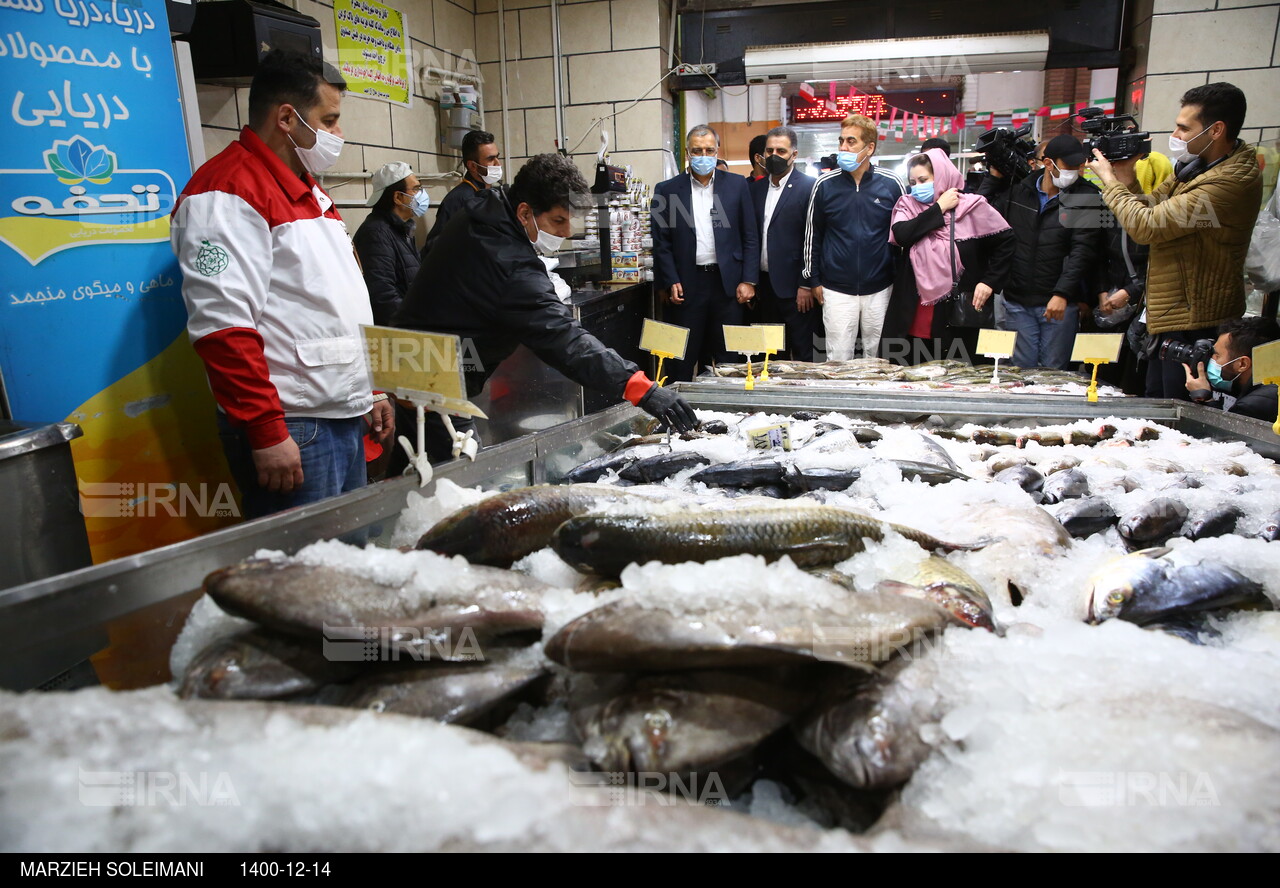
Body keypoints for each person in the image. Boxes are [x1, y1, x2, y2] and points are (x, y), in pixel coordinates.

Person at [171, 50, 393, 519]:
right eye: (329, 121)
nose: (338, 135)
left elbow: (326, 305)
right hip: (296, 427)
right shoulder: (227, 194)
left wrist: (366, 391)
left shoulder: (308, 188)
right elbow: (223, 328)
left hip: (338, 416)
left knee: (346, 565)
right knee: (305, 577)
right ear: (288, 118)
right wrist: (266, 430)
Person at [394, 153, 696, 462]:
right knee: (448, 483)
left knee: (413, 470)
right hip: (431, 382)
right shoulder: (508, 262)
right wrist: (640, 387)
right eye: (558, 221)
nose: (565, 233)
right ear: (525, 212)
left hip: (416, 363)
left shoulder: (486, 208)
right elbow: (563, 338)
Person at [1088, 82, 1262, 398]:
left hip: (1197, 316)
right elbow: (1153, 205)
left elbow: (1146, 226)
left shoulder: (1228, 182)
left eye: (1183, 128)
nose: (1176, 135)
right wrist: (1127, 177)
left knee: (1179, 412)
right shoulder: (1197, 167)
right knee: (1156, 400)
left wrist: (1110, 181)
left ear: (1216, 130)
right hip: (1171, 311)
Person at [884, 148, 1013, 366]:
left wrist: (989, 282)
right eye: (913, 182)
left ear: (941, 176)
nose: (917, 187)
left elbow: (1006, 242)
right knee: (914, 367)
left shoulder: (973, 206)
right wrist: (939, 207)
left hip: (958, 307)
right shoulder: (907, 205)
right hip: (915, 305)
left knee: (957, 370)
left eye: (923, 180)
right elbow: (903, 234)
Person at [650, 125, 759, 381]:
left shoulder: (737, 185)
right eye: (697, 151)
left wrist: (749, 279)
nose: (703, 155)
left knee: (728, 360)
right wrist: (670, 279)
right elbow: (661, 240)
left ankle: (727, 414)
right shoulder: (667, 190)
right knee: (681, 359)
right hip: (687, 286)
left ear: (717, 151)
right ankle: (681, 414)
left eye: (709, 150)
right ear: (687, 153)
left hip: (728, 286)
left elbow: (750, 236)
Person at [800, 114, 905, 360]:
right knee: (837, 359)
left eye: (851, 142)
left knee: (878, 359)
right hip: (835, 288)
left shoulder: (891, 184)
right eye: (841, 141)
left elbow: (903, 236)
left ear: (870, 147)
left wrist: (899, 281)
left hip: (881, 287)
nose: (843, 148)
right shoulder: (824, 184)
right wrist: (813, 279)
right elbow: (812, 235)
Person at [994, 134, 1101, 369]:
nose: (1076, 171)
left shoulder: (1088, 196)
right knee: (1020, 371)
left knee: (1054, 372)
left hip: (1058, 302)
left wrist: (1063, 294)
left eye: (1080, 166)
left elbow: (1083, 251)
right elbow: (994, 231)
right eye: (1070, 166)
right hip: (1017, 299)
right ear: (1049, 163)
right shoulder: (1019, 191)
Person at [750, 125, 821, 361]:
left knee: (804, 355)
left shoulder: (810, 187)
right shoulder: (755, 189)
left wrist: (806, 283)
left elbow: (813, 238)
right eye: (769, 150)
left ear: (794, 155)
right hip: (764, 288)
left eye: (781, 151)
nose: (774, 156)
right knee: (769, 356)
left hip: (797, 290)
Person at [352, 162, 426, 326]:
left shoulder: (401, 229)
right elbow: (382, 295)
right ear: (398, 197)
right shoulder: (376, 233)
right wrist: (415, 325)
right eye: (415, 189)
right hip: (397, 335)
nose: (421, 194)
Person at [421, 130, 501, 257]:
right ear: (472, 166)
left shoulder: (495, 193)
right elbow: (434, 246)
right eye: (491, 159)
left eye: (497, 156)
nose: (498, 163)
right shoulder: (458, 199)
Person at [1183, 317, 1279, 421]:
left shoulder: (1251, 406)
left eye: (1217, 355)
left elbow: (1222, 434)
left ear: (1242, 364)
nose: (1211, 359)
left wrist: (1206, 399)